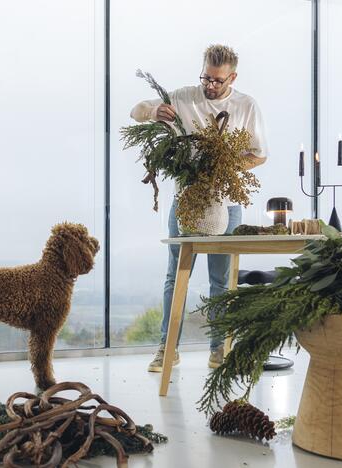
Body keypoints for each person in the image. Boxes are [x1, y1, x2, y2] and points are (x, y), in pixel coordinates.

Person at [129, 44, 269, 371]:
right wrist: (153, 112)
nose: (210, 85)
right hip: (185, 200)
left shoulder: (246, 106)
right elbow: (135, 110)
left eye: (217, 81)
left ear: (232, 77)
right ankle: (167, 349)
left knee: (221, 281)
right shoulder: (184, 97)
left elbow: (259, 154)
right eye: (206, 77)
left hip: (227, 204)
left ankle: (219, 349)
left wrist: (222, 167)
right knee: (175, 276)